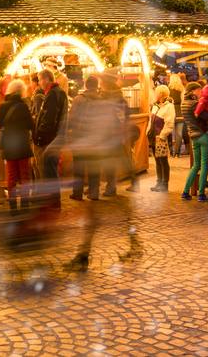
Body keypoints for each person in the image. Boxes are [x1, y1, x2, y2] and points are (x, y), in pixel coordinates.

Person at [68, 73, 142, 272]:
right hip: (103, 153)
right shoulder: (107, 100)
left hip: (109, 153)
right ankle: (85, 253)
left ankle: (132, 244)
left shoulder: (114, 101)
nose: (100, 85)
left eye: (102, 83)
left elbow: (118, 127)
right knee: (98, 212)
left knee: (112, 211)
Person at [32, 71, 69, 207]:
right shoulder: (58, 92)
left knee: (47, 169)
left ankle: (51, 201)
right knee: (50, 169)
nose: (39, 83)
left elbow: (49, 119)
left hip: (48, 139)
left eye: (40, 80)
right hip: (54, 137)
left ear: (46, 79)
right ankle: (52, 200)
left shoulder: (53, 94)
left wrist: (40, 135)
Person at [0, 79, 35, 208]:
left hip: (9, 144)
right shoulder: (23, 106)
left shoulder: (3, 106)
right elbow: (30, 125)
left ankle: (13, 205)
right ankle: (24, 204)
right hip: (23, 144)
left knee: (11, 175)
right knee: (24, 175)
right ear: (21, 91)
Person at [66, 77, 105, 201]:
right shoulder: (101, 100)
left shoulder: (78, 99)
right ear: (96, 85)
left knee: (79, 167)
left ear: (86, 85)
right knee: (94, 166)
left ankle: (77, 193)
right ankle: (94, 193)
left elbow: (71, 119)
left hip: (80, 138)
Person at [181, 82, 208, 201]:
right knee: (204, 165)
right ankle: (201, 194)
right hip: (204, 135)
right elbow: (206, 116)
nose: (201, 92)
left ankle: (186, 192)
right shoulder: (195, 103)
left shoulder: (183, 103)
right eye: (198, 90)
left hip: (193, 136)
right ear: (192, 91)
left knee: (195, 165)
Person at [148, 85, 175, 193]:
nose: (155, 94)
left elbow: (169, 123)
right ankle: (159, 182)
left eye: (156, 92)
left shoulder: (169, 106)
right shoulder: (155, 106)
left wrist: (163, 136)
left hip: (161, 137)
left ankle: (164, 184)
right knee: (157, 160)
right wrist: (147, 131)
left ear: (161, 94)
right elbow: (151, 121)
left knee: (163, 160)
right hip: (153, 137)